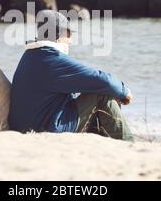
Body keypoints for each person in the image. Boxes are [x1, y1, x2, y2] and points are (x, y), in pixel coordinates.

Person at [8, 10, 134, 141]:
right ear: (58, 34)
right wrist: (125, 91)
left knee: (96, 91)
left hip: (25, 126)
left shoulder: (31, 55)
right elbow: (102, 80)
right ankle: (128, 142)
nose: (71, 41)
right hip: (47, 128)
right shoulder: (52, 59)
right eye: (68, 34)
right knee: (102, 95)